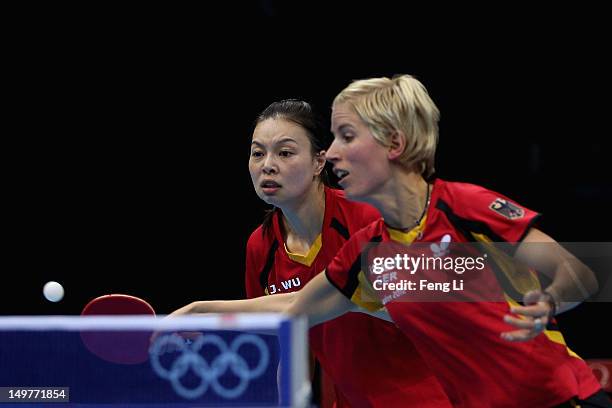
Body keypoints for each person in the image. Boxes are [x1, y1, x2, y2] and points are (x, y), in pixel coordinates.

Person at [172, 77, 609, 408]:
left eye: (347, 137)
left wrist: (549, 301)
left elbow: (582, 273)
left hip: (561, 399)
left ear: (394, 145)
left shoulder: (465, 207)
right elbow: (293, 309)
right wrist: (198, 310)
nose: (335, 154)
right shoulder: (367, 254)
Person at [167, 99, 452, 407]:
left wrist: (202, 311)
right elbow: (292, 341)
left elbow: (422, 311)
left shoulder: (369, 218)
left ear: (319, 162)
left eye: (285, 152)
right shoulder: (261, 246)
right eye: (258, 153)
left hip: (425, 394)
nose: (268, 165)